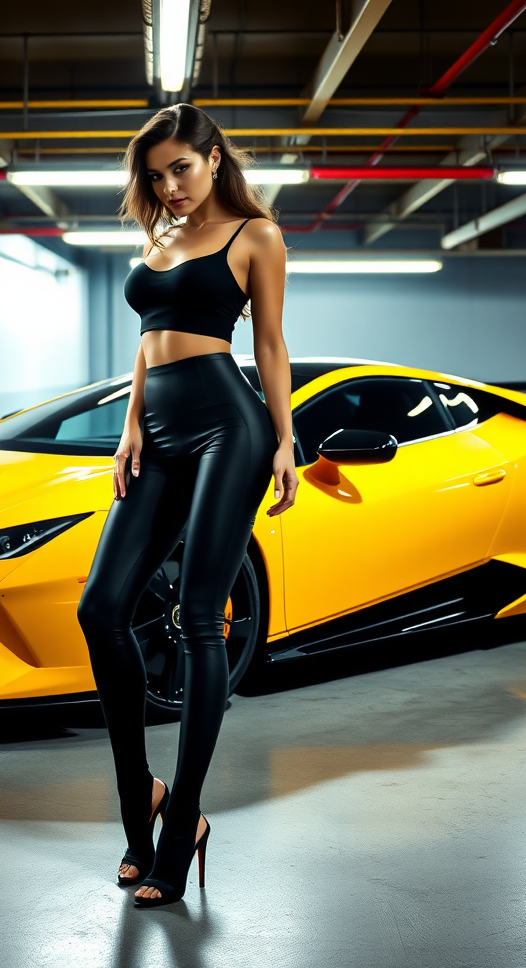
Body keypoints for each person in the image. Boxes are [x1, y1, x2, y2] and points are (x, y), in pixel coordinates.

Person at [76, 103, 298, 908]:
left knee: (201, 616)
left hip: (226, 425)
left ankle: (181, 827)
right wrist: (130, 423)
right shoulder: (158, 240)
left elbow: (269, 343)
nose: (168, 186)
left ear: (213, 160)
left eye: (182, 168)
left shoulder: (255, 236)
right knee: (102, 610)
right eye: (156, 173)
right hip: (159, 426)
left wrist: (284, 437)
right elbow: (147, 339)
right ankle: (143, 795)